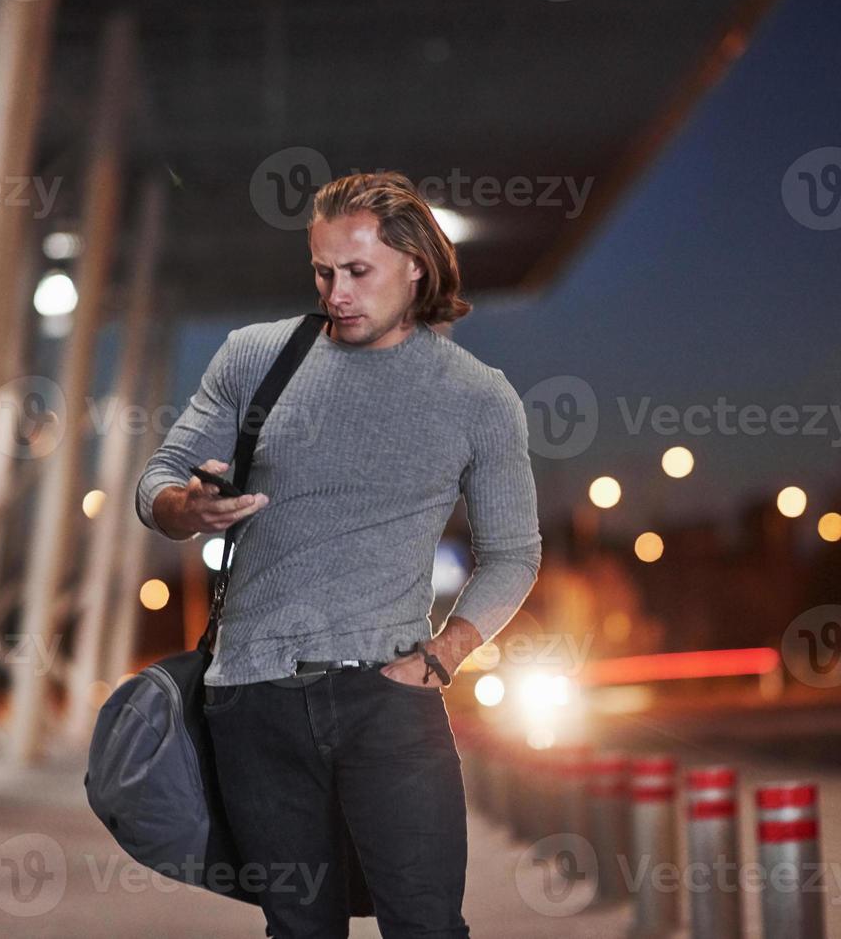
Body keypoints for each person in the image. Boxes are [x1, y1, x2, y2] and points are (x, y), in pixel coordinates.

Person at [134, 171, 542, 938]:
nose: (337, 292)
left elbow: (513, 554)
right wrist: (186, 507)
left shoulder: (477, 397)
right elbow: (157, 480)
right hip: (251, 699)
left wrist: (441, 655)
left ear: (415, 264)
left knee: (425, 927)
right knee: (299, 930)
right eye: (323, 271)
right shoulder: (256, 357)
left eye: (359, 271)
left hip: (388, 701)